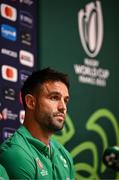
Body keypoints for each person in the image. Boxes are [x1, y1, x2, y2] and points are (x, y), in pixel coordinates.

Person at [0, 67, 75, 179]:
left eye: (65, 100)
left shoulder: (64, 154)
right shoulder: (16, 152)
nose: (63, 107)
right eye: (54, 98)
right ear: (31, 102)